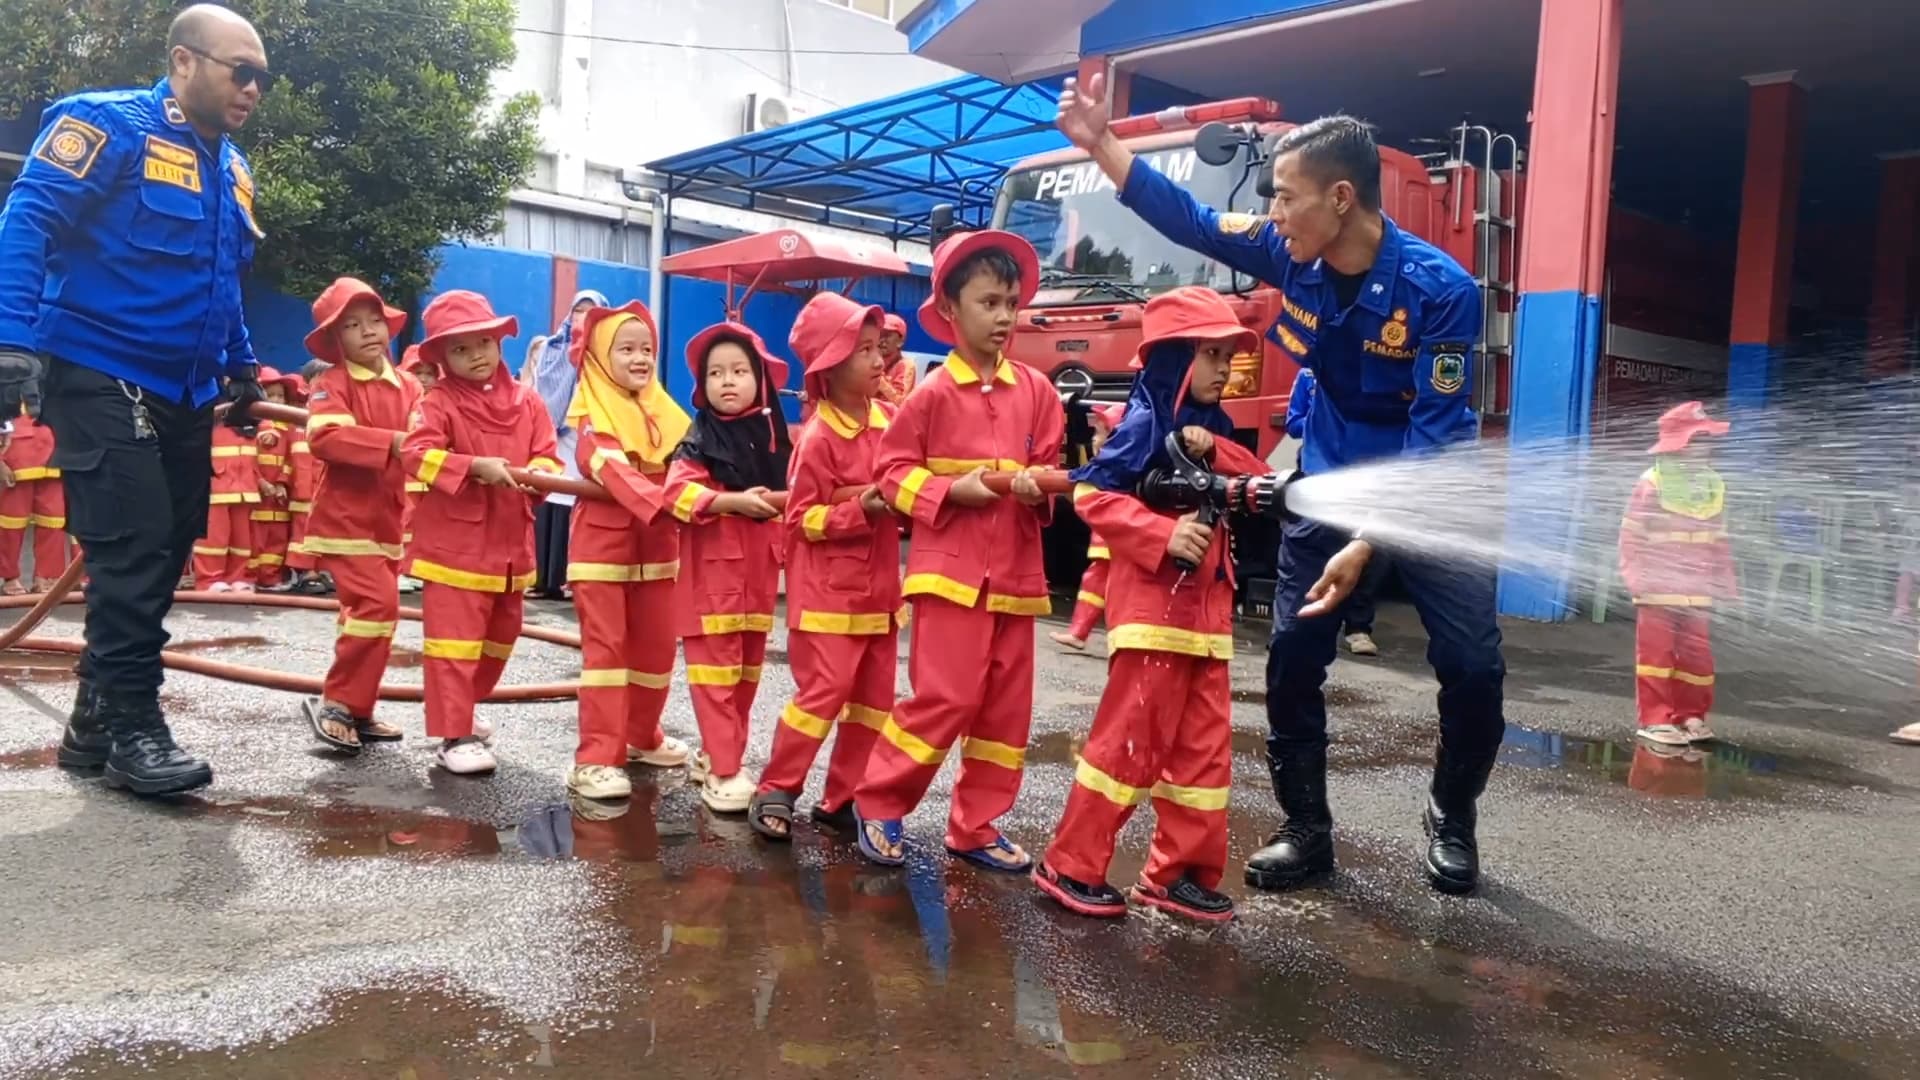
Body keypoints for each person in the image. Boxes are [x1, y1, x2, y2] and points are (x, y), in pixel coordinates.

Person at [1057, 76, 1506, 895]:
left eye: (1285, 198)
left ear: (1340, 199)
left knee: (1473, 669)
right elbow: (1189, 219)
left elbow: (1435, 436)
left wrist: (1371, 543)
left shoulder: (1442, 292)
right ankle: (1307, 830)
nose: (1271, 213)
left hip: (1433, 493)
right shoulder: (1282, 251)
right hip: (1329, 479)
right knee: (1295, 660)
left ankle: (1452, 815)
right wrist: (1102, 146)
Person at [0, 5, 271, 794]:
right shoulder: (104, 125)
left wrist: (243, 366)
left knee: (169, 542)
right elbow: (26, 222)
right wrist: (12, 341)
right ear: (185, 63)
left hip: (185, 389)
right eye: (238, 70)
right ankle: (135, 732)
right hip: (94, 367)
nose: (252, 87)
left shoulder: (232, 167)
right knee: (137, 540)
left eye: (261, 76)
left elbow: (223, 279)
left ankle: (94, 725)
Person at [1035, 286, 1266, 923]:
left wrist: (1209, 449)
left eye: (1228, 356)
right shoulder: (1143, 426)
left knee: (1204, 755)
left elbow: (1253, 476)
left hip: (1206, 623)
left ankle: (1178, 875)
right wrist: (1163, 534)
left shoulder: (1210, 429)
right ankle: (1070, 864)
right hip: (1155, 620)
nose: (1225, 369)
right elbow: (1091, 497)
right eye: (1211, 354)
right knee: (1127, 746)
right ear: (1175, 359)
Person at [854, 230, 1064, 871]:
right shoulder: (929, 396)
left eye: (1012, 302)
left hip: (1017, 577)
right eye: (989, 302)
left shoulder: (1038, 391)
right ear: (949, 308)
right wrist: (953, 491)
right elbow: (891, 476)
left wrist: (1035, 491)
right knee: (944, 697)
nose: (1004, 316)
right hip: (950, 578)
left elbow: (1049, 469)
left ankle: (976, 826)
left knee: (1005, 709)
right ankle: (880, 802)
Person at [750, 291, 903, 840]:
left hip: (881, 596)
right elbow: (799, 520)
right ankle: (778, 788)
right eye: (862, 350)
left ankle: (843, 798)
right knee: (820, 699)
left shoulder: (891, 422)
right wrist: (859, 509)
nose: (877, 359)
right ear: (830, 367)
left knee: (873, 705)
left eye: (876, 347)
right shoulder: (817, 438)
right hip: (828, 600)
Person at [402, 290, 562, 775]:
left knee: (500, 638)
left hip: (511, 546)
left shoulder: (528, 401)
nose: (476, 355)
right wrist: (472, 467)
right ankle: (453, 735)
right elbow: (415, 455)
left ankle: (463, 709)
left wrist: (535, 472)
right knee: (453, 644)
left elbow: (549, 457)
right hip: (454, 547)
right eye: (460, 348)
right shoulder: (438, 402)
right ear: (443, 357)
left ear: (499, 342)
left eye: (484, 343)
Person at [563, 300, 693, 801]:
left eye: (647, 349)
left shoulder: (668, 415)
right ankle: (596, 757)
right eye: (626, 349)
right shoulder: (594, 420)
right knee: (608, 654)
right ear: (598, 357)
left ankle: (642, 736)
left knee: (658, 650)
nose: (640, 358)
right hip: (602, 552)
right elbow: (611, 467)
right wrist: (669, 506)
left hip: (658, 553)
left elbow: (692, 468)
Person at [662, 322, 792, 813]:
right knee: (715, 679)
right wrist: (729, 501)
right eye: (715, 373)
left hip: (757, 583)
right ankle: (723, 769)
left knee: (745, 677)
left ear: (761, 378)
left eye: (739, 370)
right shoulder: (699, 439)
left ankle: (718, 756)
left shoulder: (776, 440)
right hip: (711, 583)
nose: (727, 381)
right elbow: (675, 492)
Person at [299, 277, 420, 752]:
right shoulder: (332, 383)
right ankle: (339, 702)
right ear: (335, 340)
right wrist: (392, 442)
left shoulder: (409, 385)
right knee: (377, 608)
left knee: (375, 617)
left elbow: (428, 438)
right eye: (352, 325)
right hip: (346, 522)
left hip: (389, 521)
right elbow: (325, 438)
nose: (369, 331)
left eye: (374, 320)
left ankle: (360, 707)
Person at [1618, 402, 1737, 747]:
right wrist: (1636, 578)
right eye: (1699, 440)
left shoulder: (1714, 484)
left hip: (1698, 590)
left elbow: (1719, 538)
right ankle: (1655, 719)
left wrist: (1724, 580)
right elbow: (1631, 535)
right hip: (1657, 589)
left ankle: (1692, 715)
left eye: (1707, 440)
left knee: (1697, 657)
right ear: (1679, 444)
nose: (1707, 448)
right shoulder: (1652, 482)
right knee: (1657, 656)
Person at [1284, 367, 1384, 657]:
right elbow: (1293, 423)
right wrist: (1322, 421)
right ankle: (1303, 626)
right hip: (1320, 472)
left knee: (1364, 552)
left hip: (1361, 473)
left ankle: (1358, 629)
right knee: (1317, 548)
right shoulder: (1306, 377)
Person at [528, 289, 607, 599]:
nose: (581, 318)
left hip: (585, 434)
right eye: (578, 311)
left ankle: (567, 578)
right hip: (553, 434)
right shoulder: (552, 348)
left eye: (589, 312)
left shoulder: (605, 351)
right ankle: (543, 579)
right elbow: (539, 388)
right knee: (550, 498)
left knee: (576, 501)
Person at [1050, 403, 1124, 652]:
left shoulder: (1121, 466)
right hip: (1108, 540)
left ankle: (1109, 637)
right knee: (1096, 583)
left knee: (1115, 588)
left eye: (1101, 432)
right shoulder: (1106, 466)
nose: (1095, 439)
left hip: (1120, 540)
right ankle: (1079, 631)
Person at [0, 407, 70, 594]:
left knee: (54, 520)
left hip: (56, 450)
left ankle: (46, 575)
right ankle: (9, 576)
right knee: (11, 522)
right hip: (15, 453)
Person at [247, 367, 299, 590]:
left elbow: (291, 458)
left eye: (281, 395)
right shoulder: (250, 426)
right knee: (254, 538)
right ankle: (251, 578)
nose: (277, 400)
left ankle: (271, 578)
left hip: (278, 496)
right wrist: (261, 482)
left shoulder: (289, 427)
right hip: (256, 493)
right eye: (271, 395)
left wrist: (281, 483)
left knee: (278, 538)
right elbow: (247, 460)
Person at [877, 312, 916, 404]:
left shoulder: (906, 365)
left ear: (900, 342)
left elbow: (901, 402)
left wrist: (879, 380)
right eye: (880, 334)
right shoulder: (871, 361)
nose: (882, 340)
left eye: (887, 335)